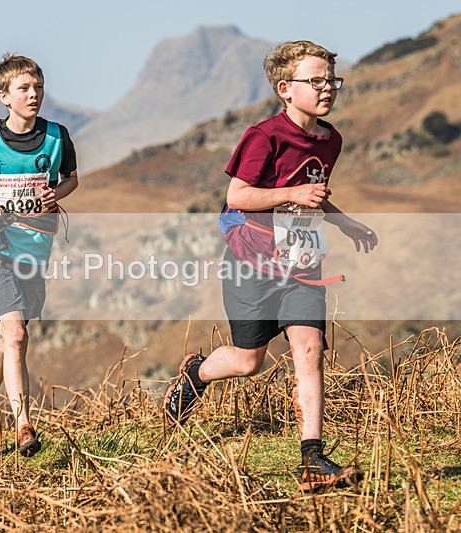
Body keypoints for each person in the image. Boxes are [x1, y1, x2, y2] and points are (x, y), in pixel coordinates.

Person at [163, 41, 378, 492]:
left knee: (309, 349)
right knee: (248, 362)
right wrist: (291, 194)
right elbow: (238, 195)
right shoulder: (264, 137)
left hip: (302, 264)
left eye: (331, 81)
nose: (327, 89)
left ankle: (312, 458)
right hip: (252, 264)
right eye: (315, 81)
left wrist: (345, 222)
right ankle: (196, 373)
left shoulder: (331, 140)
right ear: (285, 89)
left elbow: (312, 196)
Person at [0, 53, 79, 457]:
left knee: (5, 339)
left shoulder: (57, 136)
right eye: (24, 88)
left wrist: (55, 193)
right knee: (17, 335)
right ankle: (24, 425)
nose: (33, 94)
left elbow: (72, 179)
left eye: (38, 87)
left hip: (35, 249)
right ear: (4, 96)